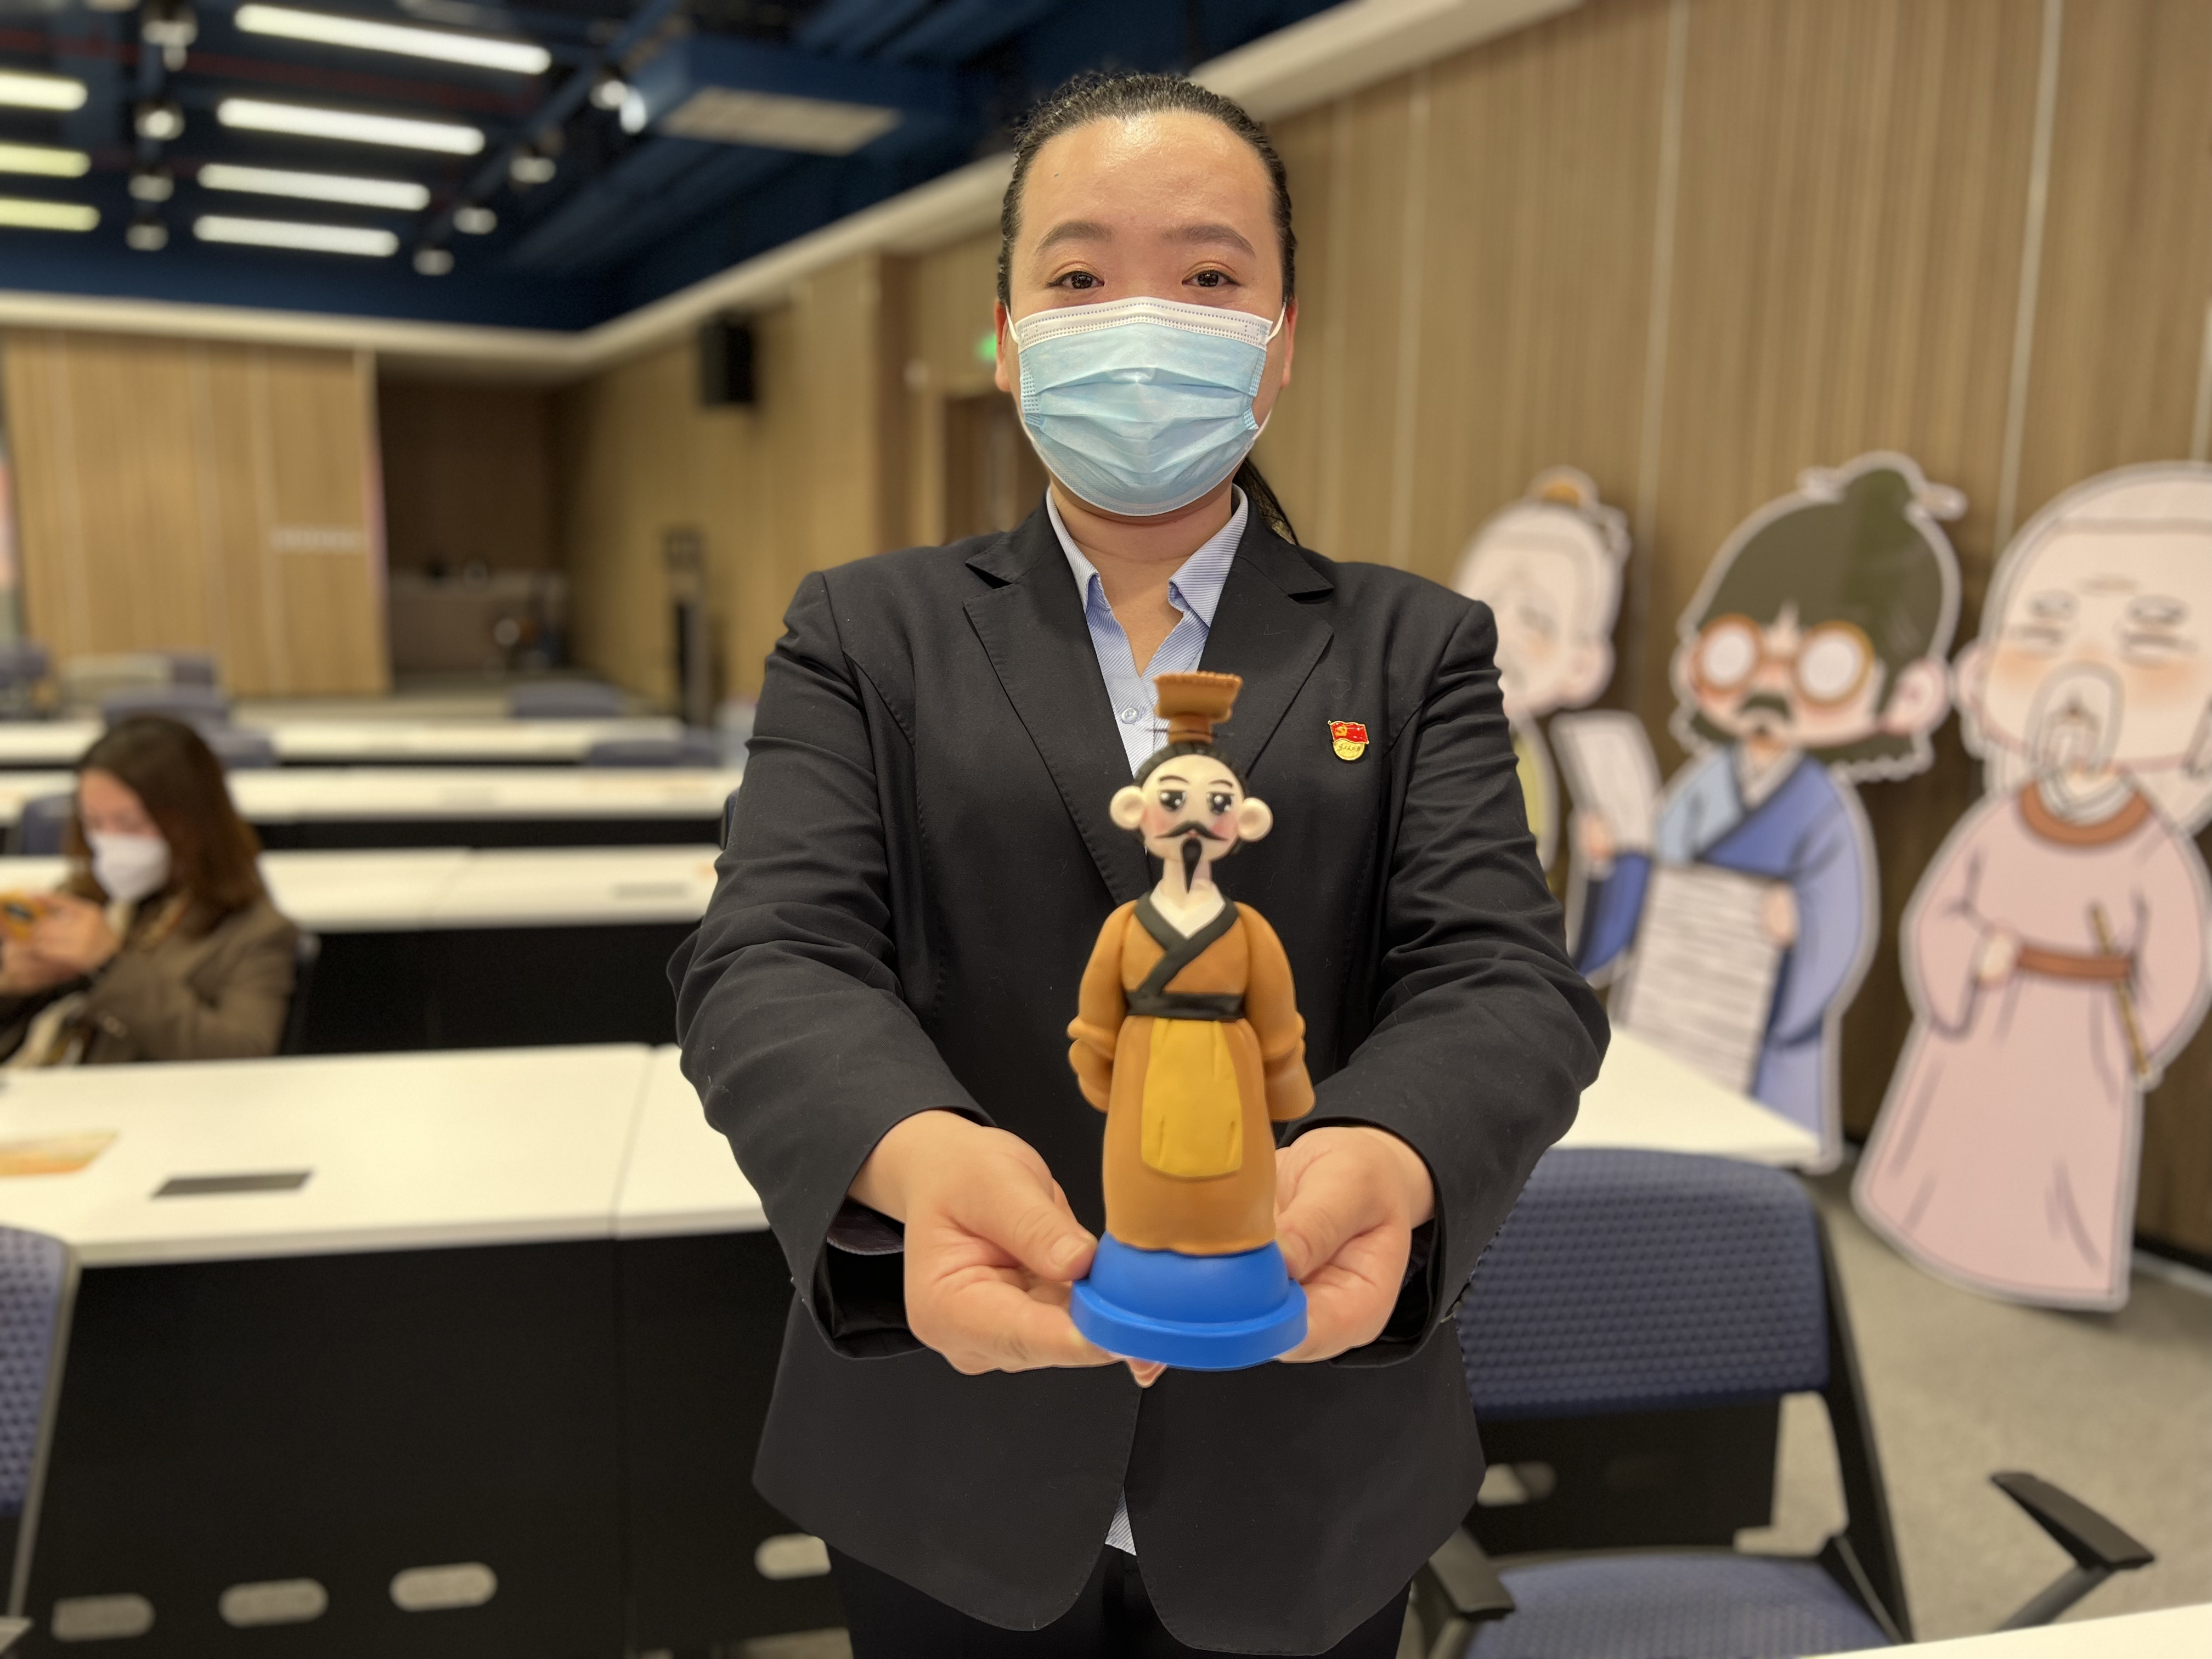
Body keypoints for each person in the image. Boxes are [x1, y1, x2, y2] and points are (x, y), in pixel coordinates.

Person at [672, 71, 1604, 1657]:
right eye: (1081, 274)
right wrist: (914, 1156)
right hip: (943, 1439)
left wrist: (1384, 1156)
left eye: (1211, 275)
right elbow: (770, 956)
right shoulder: (866, 631)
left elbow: (1502, 978)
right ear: (1009, 334)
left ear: (1282, 341)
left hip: (1308, 1445)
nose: (1144, 320)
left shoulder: (1415, 647)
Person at [1856, 464, 2212, 1310]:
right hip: (1985, 1008)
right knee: (1958, 1139)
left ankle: (2049, 1261)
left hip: (2079, 1039)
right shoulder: (2004, 820)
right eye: (2048, 634)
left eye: (2148, 646)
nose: (2081, 692)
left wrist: (2129, 1036)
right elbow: (1940, 912)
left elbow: (2177, 960)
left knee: (2058, 1156)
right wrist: (1973, 955)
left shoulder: (2149, 846)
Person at [1572, 454, 1957, 1163]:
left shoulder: (1822, 812)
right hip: (1672, 1001)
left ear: (1902, 691)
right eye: (1739, 652)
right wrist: (1615, 863)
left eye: (1825, 665)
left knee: (1737, 1168)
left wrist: (1801, 923)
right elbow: (1644, 892)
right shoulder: (1700, 787)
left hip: (1752, 1025)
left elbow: (1838, 929)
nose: (1771, 684)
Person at [0, 715, 297, 1065]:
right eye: (94, 822)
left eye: (131, 824)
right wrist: (13, 987)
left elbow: (243, 1053)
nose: (109, 841)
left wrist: (111, 967)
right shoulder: (83, 898)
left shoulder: (254, 931)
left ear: (194, 821)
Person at [1450, 467, 1628, 871]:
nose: (1505, 629)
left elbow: (1534, 851)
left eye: (1536, 619)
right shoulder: (1442, 726)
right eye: (1489, 607)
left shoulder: (1528, 755)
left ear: (1582, 665)